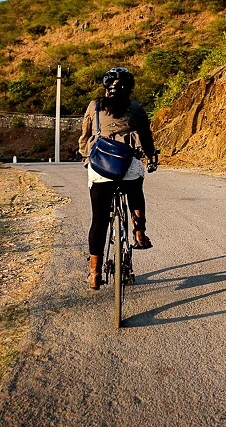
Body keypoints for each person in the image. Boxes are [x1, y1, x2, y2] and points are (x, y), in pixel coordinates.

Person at [78, 67, 157, 290]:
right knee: (135, 188)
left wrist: (87, 158)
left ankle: (94, 273)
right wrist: (151, 158)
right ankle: (139, 231)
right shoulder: (136, 108)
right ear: (130, 89)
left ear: (105, 88)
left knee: (99, 220)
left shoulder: (94, 107)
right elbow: (147, 140)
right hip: (127, 165)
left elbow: (85, 136)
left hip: (101, 166)